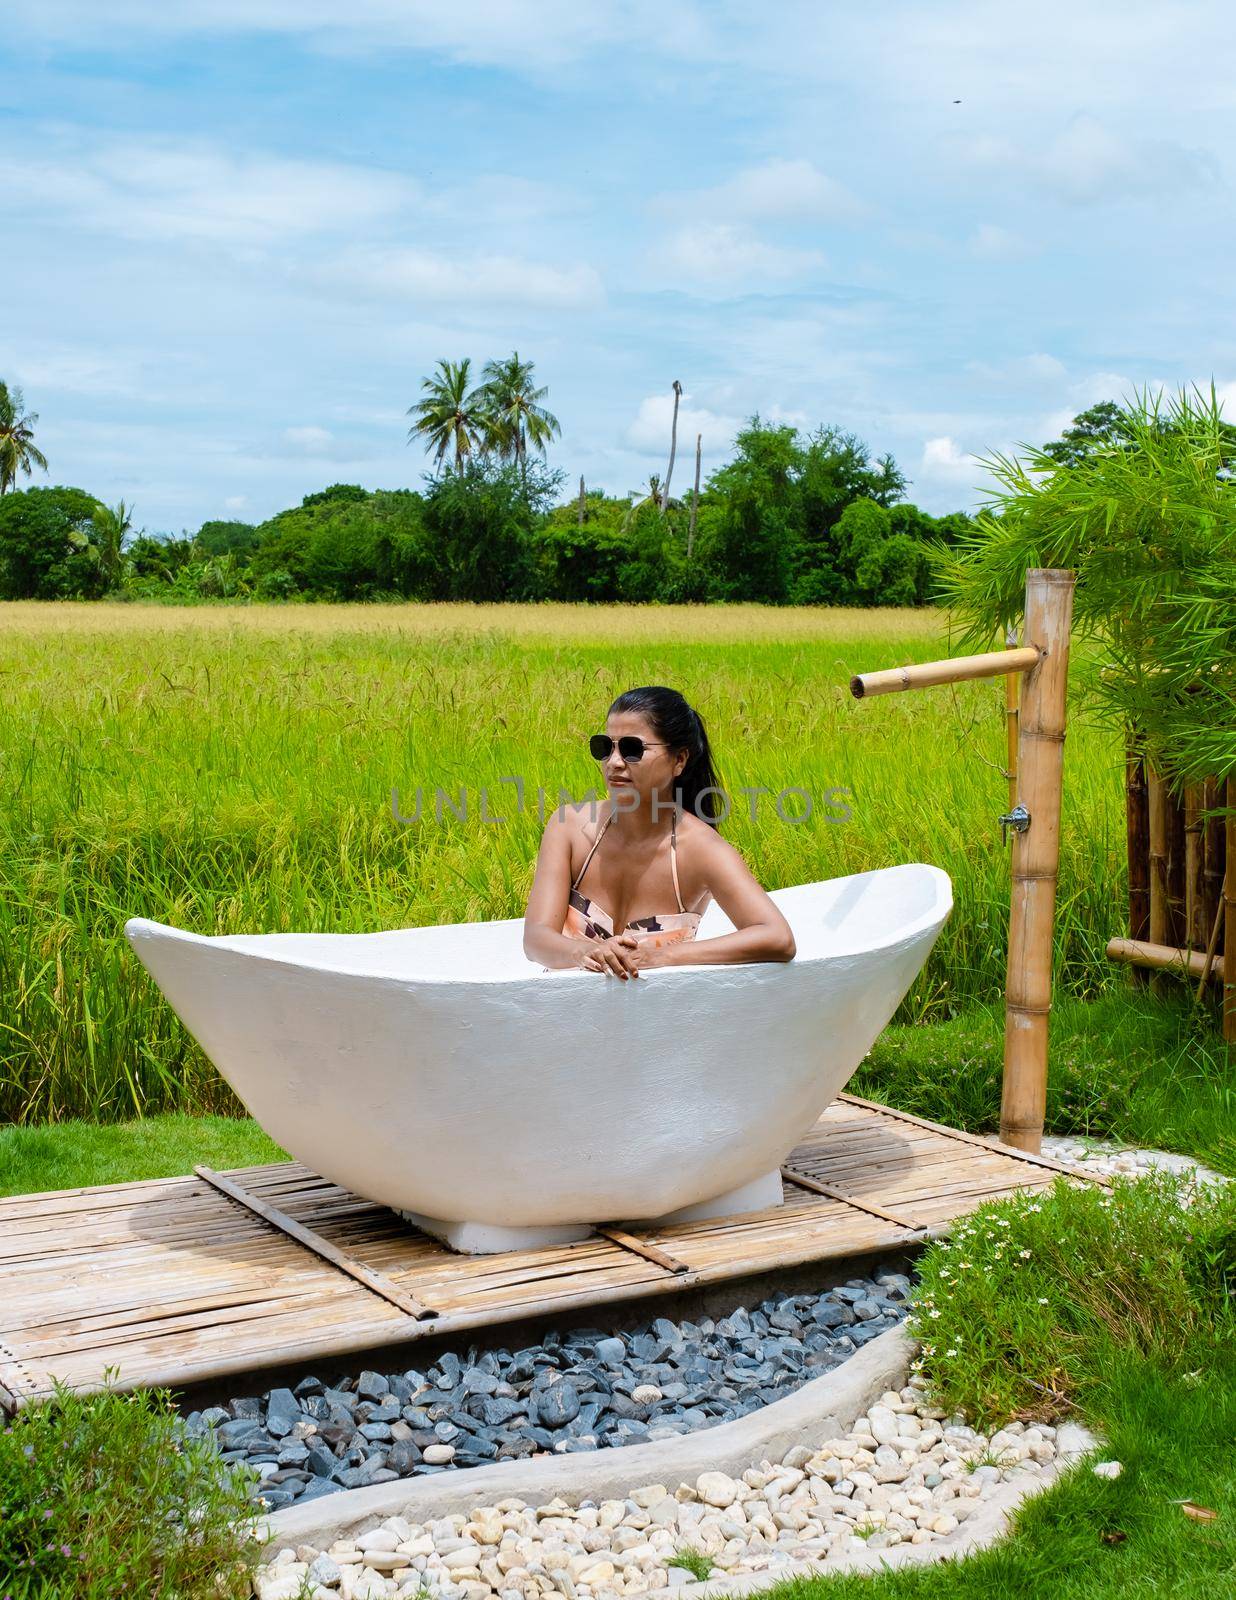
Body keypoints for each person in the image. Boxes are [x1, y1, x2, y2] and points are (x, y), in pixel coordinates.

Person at [523, 685, 796, 977]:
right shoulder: (570, 827)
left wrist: (657, 957)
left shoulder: (701, 849)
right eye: (605, 747)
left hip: (661, 1020)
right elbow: (536, 939)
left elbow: (777, 938)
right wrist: (585, 952)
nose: (614, 762)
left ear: (679, 760)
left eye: (632, 749)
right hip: (565, 1017)